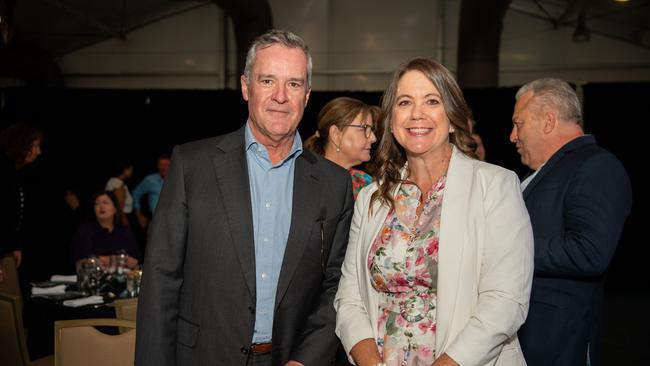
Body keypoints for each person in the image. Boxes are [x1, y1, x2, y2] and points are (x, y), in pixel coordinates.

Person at [135, 29, 354, 366]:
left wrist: (305, 359)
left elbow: (335, 286)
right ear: (245, 86)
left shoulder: (334, 183)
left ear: (307, 96)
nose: (280, 96)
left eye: (293, 84)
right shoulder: (192, 166)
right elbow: (161, 281)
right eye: (267, 81)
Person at [335, 58, 534, 366]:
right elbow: (349, 297)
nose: (417, 114)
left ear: (453, 118)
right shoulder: (371, 198)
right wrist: (369, 361)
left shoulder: (494, 187)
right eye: (404, 102)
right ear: (391, 120)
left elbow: (506, 302)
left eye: (432, 101)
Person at [510, 78, 632, 366]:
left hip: (557, 343)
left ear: (548, 121)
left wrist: (506, 250)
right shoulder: (543, 172)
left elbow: (589, 252)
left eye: (519, 123)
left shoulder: (596, 166)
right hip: (529, 339)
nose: (513, 135)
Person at [304, 97, 379, 199]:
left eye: (371, 130)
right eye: (364, 128)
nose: (373, 138)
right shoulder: (305, 179)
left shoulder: (365, 182)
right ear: (335, 134)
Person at [0, 123, 43, 282]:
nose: (38, 152)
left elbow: (10, 217)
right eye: (35, 146)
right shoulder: (3, 172)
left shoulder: (13, 173)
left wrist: (14, 245)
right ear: (21, 145)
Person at [70, 190, 140, 269]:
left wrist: (102, 259)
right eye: (97, 204)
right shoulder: (84, 230)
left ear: (115, 209)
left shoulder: (125, 231)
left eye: (105, 203)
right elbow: (82, 261)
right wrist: (117, 260)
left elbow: (134, 261)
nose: (101, 206)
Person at [131, 153, 171, 229]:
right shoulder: (150, 180)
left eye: (166, 164)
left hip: (174, 221)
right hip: (155, 221)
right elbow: (136, 194)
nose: (164, 167)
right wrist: (139, 216)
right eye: (161, 164)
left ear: (171, 166)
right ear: (157, 166)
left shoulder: (177, 180)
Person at [105, 159, 134, 226]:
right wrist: (126, 224)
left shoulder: (113, 182)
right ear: (126, 170)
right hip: (121, 220)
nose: (132, 172)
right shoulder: (118, 185)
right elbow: (119, 207)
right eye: (131, 169)